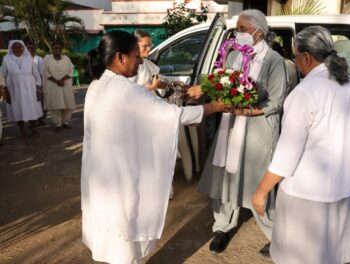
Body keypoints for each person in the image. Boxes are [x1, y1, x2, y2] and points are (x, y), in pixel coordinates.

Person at [81, 30, 225, 264]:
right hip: (120, 175)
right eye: (136, 56)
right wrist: (214, 108)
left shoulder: (96, 86)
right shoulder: (127, 90)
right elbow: (174, 115)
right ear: (120, 58)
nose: (140, 61)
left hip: (101, 175)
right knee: (124, 236)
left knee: (111, 229)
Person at [252, 26, 350, 263]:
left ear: (306, 57)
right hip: (343, 188)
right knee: (331, 256)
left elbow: (287, 154)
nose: (295, 61)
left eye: (294, 56)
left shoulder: (305, 93)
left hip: (308, 195)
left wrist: (261, 191)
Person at [191, 9, 287, 255]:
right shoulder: (232, 55)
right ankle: (222, 227)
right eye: (238, 29)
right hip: (229, 127)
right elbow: (222, 84)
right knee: (225, 178)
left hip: (256, 130)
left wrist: (247, 110)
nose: (239, 34)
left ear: (259, 31)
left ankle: (276, 235)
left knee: (258, 182)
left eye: (243, 29)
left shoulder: (273, 59)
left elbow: (276, 102)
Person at [0, 40, 43, 138]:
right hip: (14, 90)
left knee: (33, 108)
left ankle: (34, 129)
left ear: (23, 48)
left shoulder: (29, 58)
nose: (18, 49)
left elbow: (36, 74)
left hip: (30, 89)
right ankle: (22, 131)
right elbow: (2, 76)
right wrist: (5, 90)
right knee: (18, 109)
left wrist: (39, 89)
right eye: (15, 47)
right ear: (11, 48)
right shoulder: (6, 59)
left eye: (20, 47)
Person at [43, 41, 76, 132]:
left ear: (62, 49)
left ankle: (66, 122)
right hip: (52, 84)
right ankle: (58, 124)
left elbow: (71, 71)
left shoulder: (66, 59)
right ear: (52, 49)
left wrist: (62, 80)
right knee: (55, 105)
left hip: (65, 84)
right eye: (55, 48)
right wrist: (56, 81)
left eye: (59, 48)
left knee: (68, 104)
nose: (57, 50)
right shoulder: (47, 58)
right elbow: (45, 72)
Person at [26, 41, 46, 125]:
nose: (30, 49)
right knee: (29, 102)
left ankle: (41, 119)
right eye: (28, 48)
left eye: (32, 47)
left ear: (35, 48)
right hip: (27, 85)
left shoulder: (39, 59)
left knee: (40, 102)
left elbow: (41, 73)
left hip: (38, 84)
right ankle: (32, 121)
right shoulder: (23, 59)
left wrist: (40, 86)